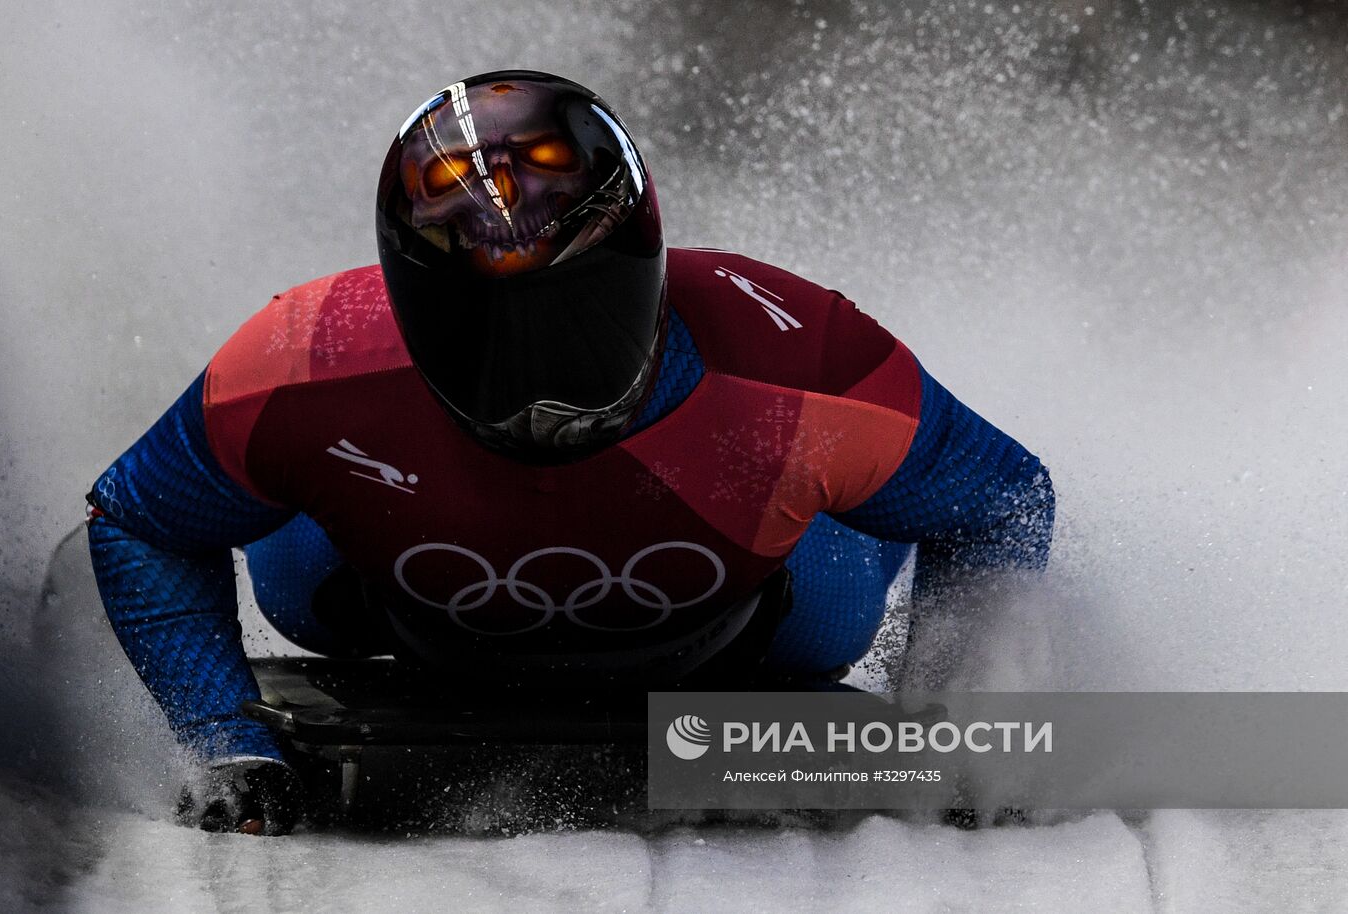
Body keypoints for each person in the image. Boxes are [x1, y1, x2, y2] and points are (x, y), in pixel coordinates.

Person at [87, 70, 1054, 835]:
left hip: (729, 616)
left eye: (569, 316)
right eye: (483, 326)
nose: (534, 390)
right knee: (298, 589)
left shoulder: (803, 362)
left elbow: (1000, 499)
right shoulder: (302, 358)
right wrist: (218, 736)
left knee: (832, 619)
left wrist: (958, 701)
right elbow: (140, 518)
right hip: (407, 603)